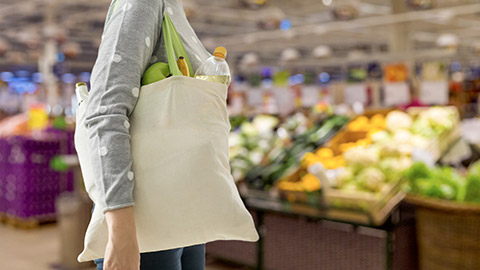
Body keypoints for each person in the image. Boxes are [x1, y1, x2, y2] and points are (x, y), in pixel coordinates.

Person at [85, 0, 212, 269]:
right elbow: (106, 112)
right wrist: (122, 234)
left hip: (183, 206)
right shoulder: (144, 2)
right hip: (144, 216)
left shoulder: (170, 6)